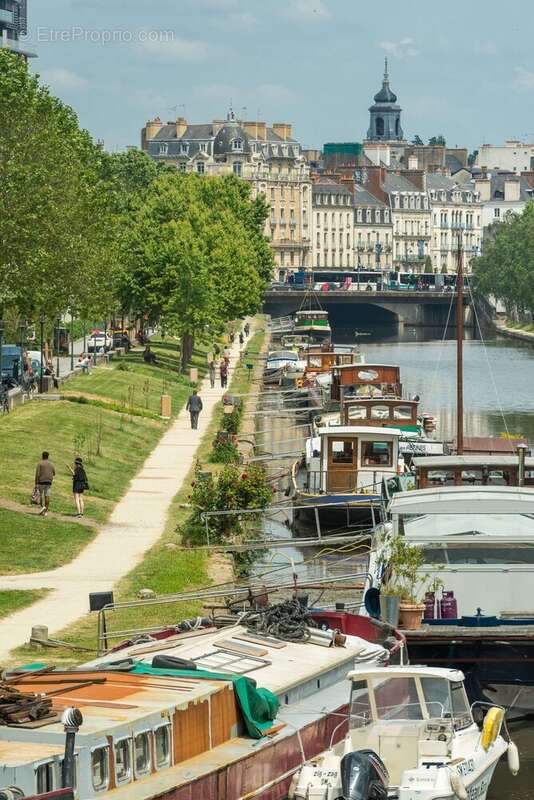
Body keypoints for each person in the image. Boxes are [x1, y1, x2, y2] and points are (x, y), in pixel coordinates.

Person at [35, 451, 56, 516]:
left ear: (42, 456)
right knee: (47, 496)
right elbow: (54, 473)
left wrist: (36, 483)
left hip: (41, 481)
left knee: (40, 495)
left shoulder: (40, 463)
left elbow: (37, 474)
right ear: (48, 456)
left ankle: (42, 507)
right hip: (49, 482)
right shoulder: (51, 464)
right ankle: (46, 511)